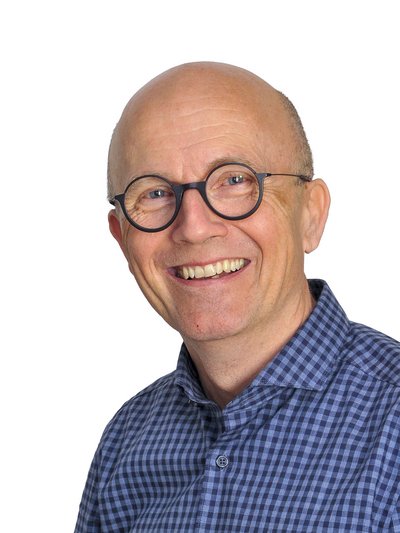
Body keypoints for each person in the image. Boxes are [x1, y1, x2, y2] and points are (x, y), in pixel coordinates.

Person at [75, 62, 400, 532]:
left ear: (311, 215)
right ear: (122, 238)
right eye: (156, 192)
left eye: (234, 180)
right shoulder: (125, 444)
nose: (194, 227)